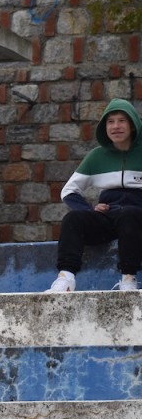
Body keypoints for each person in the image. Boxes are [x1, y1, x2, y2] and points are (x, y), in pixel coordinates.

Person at [47, 99, 142, 293]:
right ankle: (66, 278)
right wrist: (89, 209)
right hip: (109, 216)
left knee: (130, 214)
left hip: (137, 218)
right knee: (73, 219)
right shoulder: (96, 156)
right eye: (110, 121)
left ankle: (129, 280)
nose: (116, 126)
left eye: (122, 120)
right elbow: (69, 191)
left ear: (132, 125)